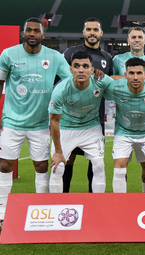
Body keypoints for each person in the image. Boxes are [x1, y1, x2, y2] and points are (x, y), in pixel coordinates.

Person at [0, 17, 71, 226]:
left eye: (36, 31)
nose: (32, 34)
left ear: (43, 35)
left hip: (41, 123)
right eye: (28, 31)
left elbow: (68, 82)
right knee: (5, 165)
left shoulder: (55, 57)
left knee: (41, 166)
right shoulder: (8, 54)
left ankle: (41, 208)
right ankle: (2, 210)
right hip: (12, 122)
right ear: (23, 33)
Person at [49, 50, 114, 193]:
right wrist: (58, 152)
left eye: (85, 66)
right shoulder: (61, 90)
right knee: (57, 166)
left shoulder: (101, 81)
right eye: (76, 66)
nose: (81, 70)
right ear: (70, 69)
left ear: (92, 70)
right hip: (66, 127)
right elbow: (53, 121)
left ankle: (97, 205)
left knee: (98, 165)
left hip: (91, 127)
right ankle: (56, 206)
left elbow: (121, 87)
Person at [62, 17, 113, 193]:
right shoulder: (70, 53)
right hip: (69, 119)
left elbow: (109, 84)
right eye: (89, 29)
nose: (92, 33)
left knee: (95, 160)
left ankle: (92, 200)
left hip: (95, 119)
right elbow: (61, 81)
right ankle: (64, 197)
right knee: (67, 160)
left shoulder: (107, 57)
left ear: (101, 33)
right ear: (83, 32)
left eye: (95, 30)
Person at [104, 57, 145, 193]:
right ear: (125, 75)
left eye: (139, 73)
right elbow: (96, 90)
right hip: (124, 131)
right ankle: (120, 205)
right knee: (119, 168)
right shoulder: (114, 88)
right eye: (131, 73)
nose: (135, 77)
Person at [112, 27, 145, 193]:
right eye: (133, 37)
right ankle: (122, 203)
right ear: (128, 40)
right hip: (124, 121)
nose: (136, 40)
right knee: (121, 167)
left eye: (140, 37)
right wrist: (131, 78)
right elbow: (111, 81)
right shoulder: (118, 59)